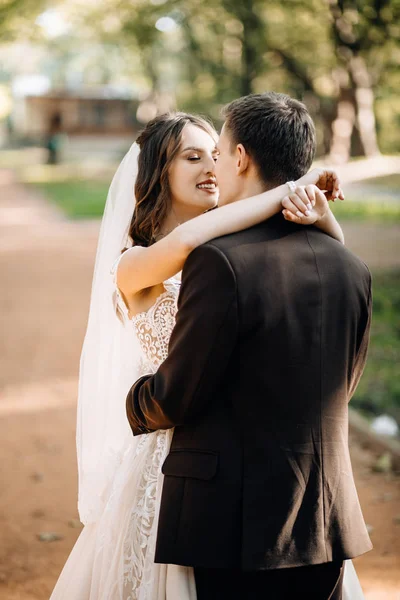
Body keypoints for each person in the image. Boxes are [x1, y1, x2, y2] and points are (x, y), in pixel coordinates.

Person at [50, 108, 357, 600]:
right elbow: (188, 240)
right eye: (192, 157)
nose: (211, 167)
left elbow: (333, 272)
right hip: (171, 450)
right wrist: (285, 189)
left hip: (247, 454)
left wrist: (316, 208)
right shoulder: (135, 262)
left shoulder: (236, 247)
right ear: (158, 174)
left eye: (216, 154)